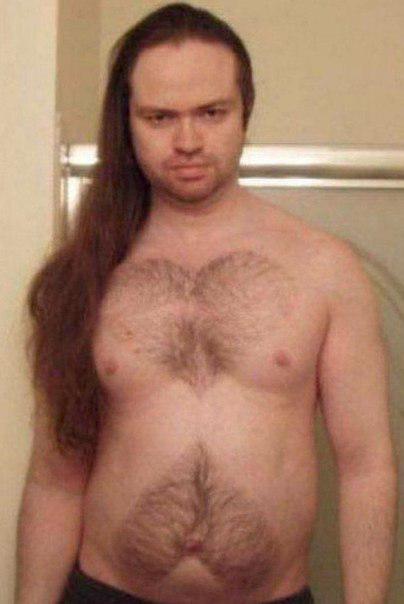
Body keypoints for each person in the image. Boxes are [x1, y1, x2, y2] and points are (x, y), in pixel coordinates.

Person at [16, 3, 398, 604]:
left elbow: (366, 466)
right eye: (160, 117)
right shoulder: (85, 273)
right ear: (128, 123)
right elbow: (54, 482)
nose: (188, 141)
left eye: (211, 113)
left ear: (246, 111)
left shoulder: (325, 269)